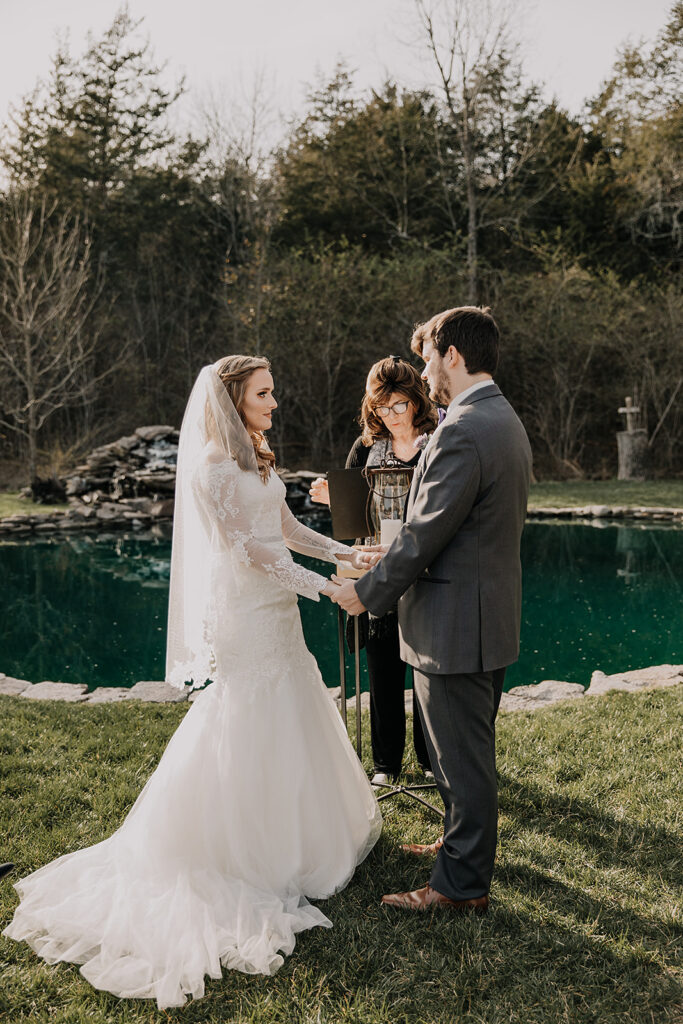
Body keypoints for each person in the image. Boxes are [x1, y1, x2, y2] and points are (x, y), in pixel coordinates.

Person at [3, 356, 381, 1009]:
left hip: (277, 611)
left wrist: (344, 553)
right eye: (264, 392)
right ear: (234, 398)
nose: (274, 401)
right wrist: (327, 588)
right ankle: (247, 853)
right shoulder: (210, 467)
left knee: (292, 705)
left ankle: (306, 837)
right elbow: (250, 553)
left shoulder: (255, 459)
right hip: (246, 614)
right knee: (252, 715)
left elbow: (284, 529)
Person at [331, 307, 532, 914]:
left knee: (462, 763)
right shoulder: (502, 418)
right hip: (484, 615)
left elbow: (423, 535)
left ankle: (458, 890)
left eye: (427, 358)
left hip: (454, 626)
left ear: (453, 356)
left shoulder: (462, 429)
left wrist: (363, 594)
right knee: (462, 753)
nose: (424, 371)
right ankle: (456, 848)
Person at [310, 355, 438, 785]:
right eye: (381, 408)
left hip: (428, 573)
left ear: (416, 402)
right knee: (383, 671)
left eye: (398, 405)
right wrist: (334, 501)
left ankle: (429, 759)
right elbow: (354, 518)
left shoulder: (439, 440)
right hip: (376, 573)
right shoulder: (366, 447)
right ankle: (386, 765)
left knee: (426, 674)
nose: (390, 415)